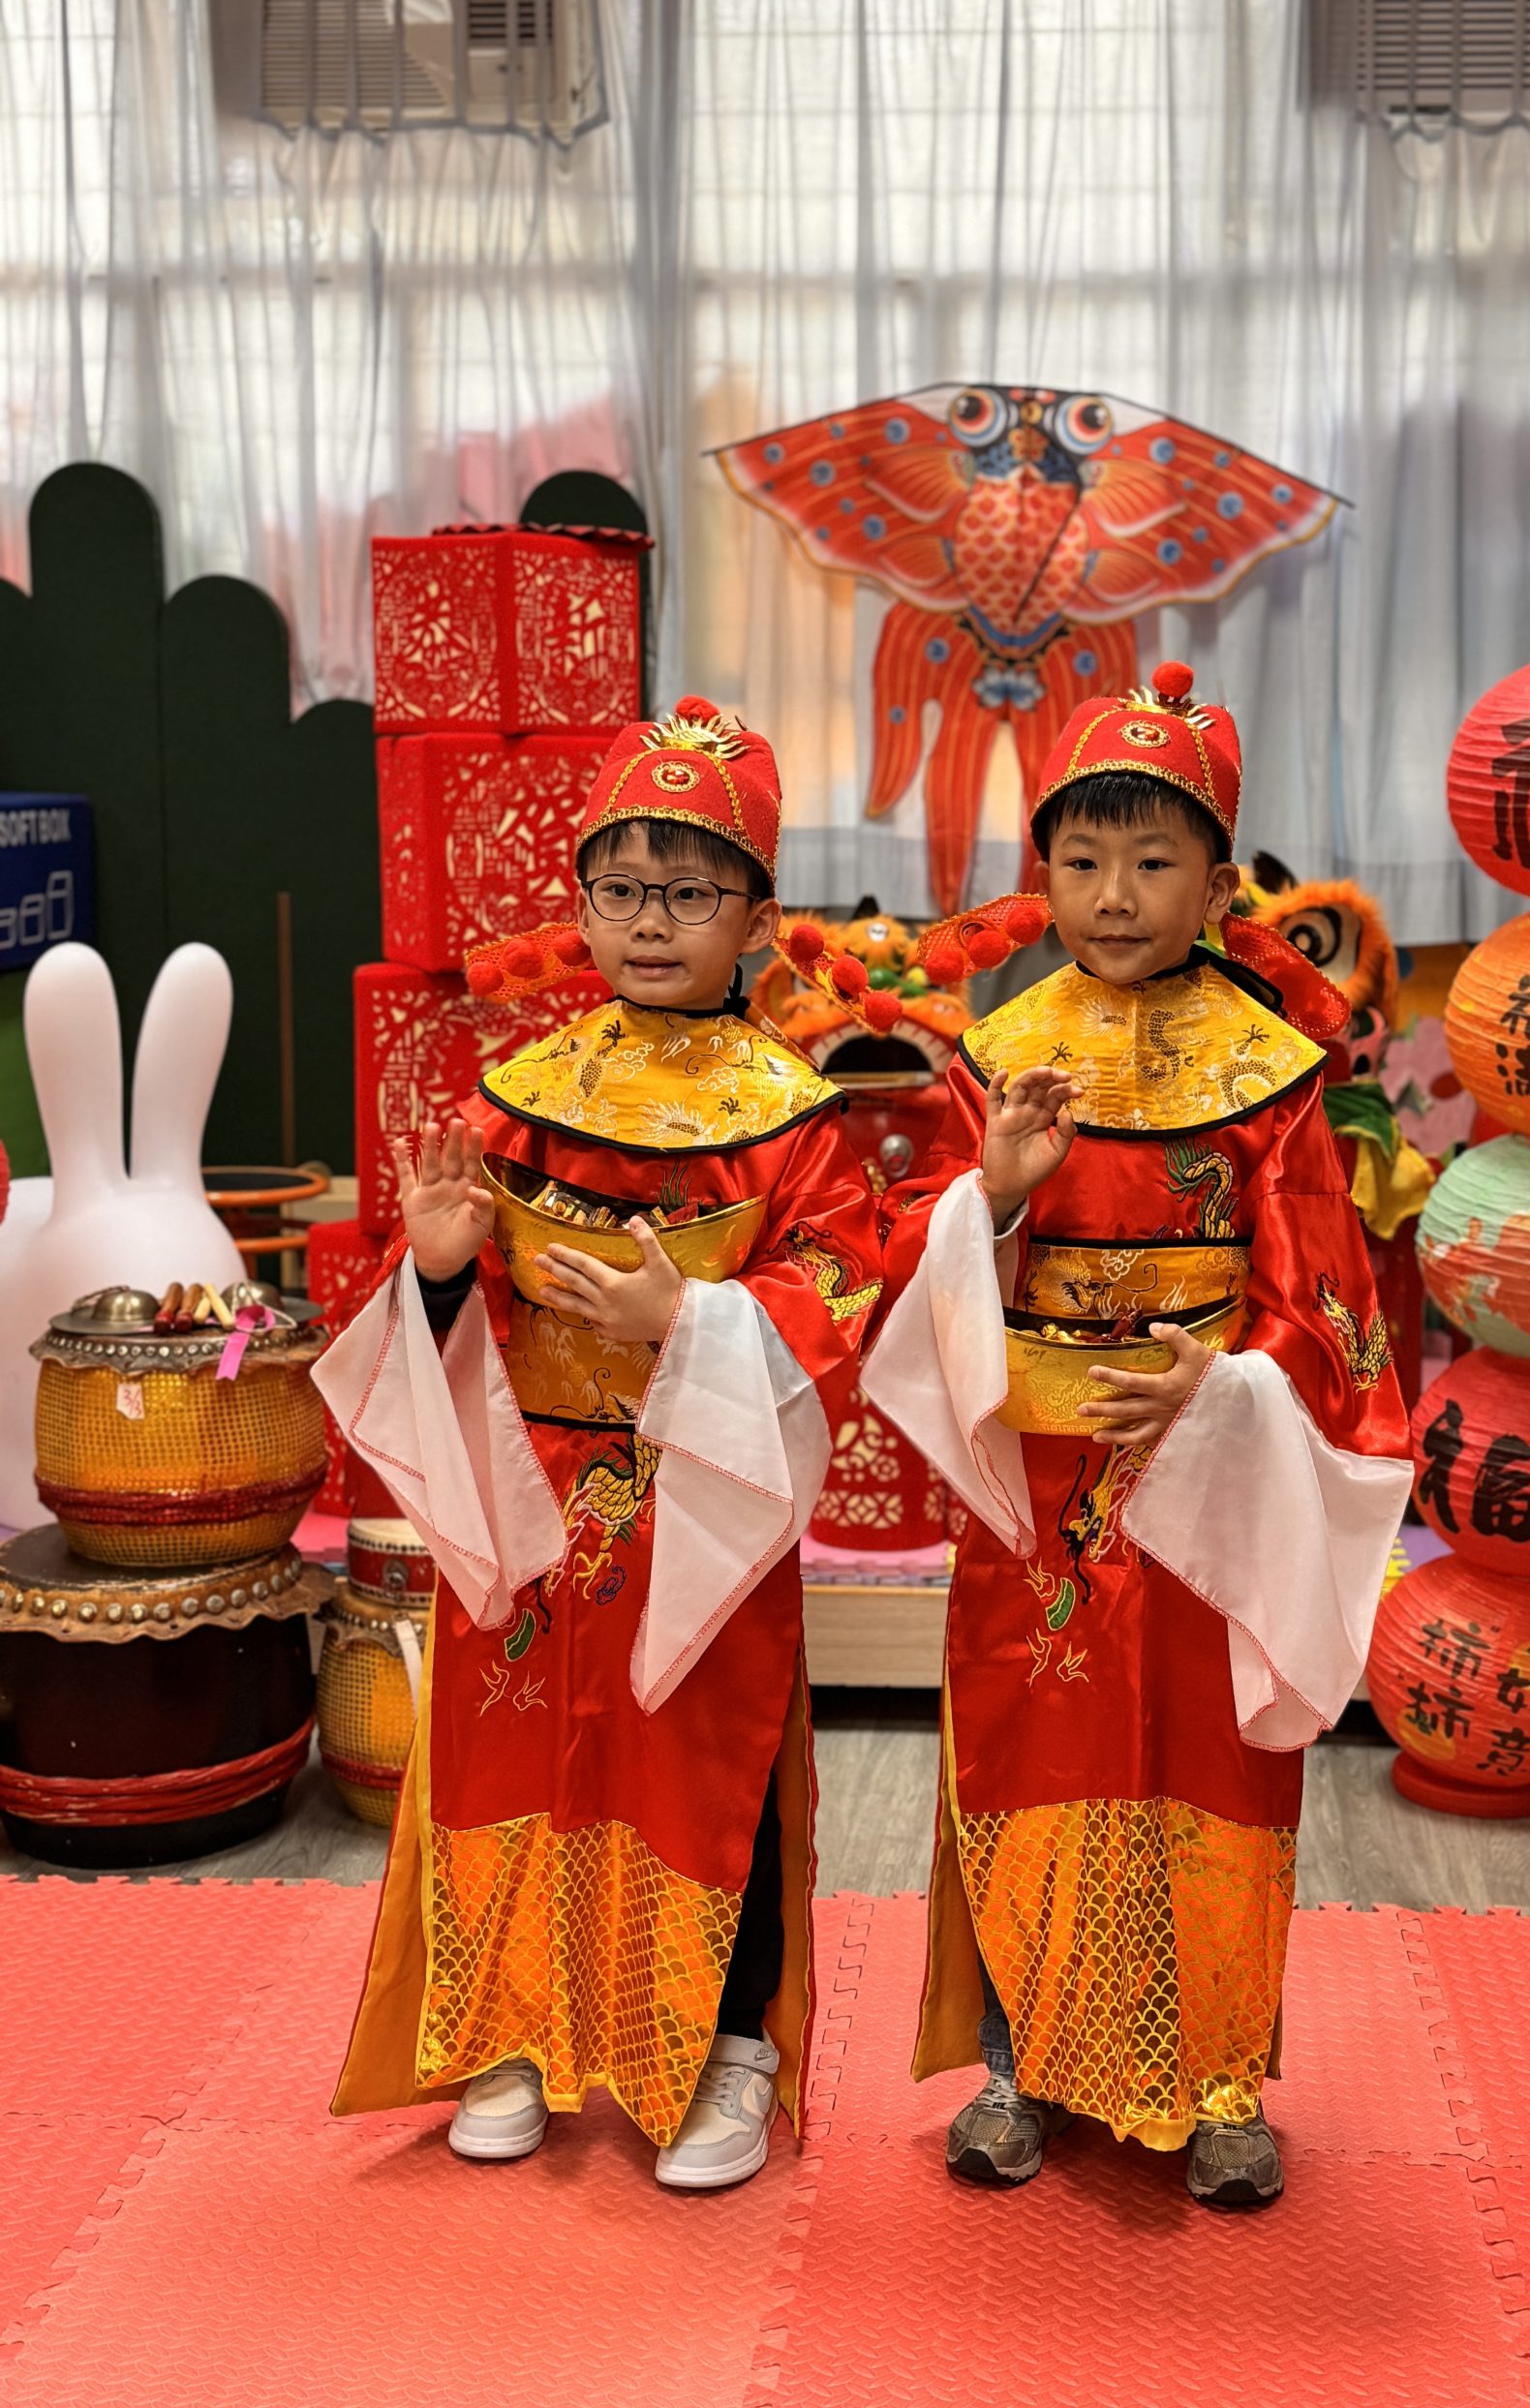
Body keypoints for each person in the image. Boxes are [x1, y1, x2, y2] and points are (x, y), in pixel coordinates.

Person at [865, 660, 1412, 2210]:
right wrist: (998, 1194)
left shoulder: (1273, 1081)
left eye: (1154, 861)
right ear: (1040, 874)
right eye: (1082, 859)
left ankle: (1222, 2075)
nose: (1114, 896)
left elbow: (1330, 1305)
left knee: (1213, 1760)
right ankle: (1021, 2065)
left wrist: (1224, 1382)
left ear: (1220, 888)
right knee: (1031, 1749)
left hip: (1207, 1479)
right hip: (1038, 1488)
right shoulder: (998, 1057)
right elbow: (911, 1271)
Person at [316, 697, 880, 2190]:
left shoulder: (796, 1122)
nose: (650, 921)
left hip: (698, 1492)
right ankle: (507, 2030)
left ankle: (728, 2049)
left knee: (706, 1761)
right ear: (579, 905)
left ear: (758, 920)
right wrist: (442, 1267)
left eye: (690, 892)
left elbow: (839, 1288)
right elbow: (454, 1308)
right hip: (529, 1491)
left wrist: (685, 1319)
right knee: (508, 1754)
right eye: (622, 888)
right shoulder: (522, 1099)